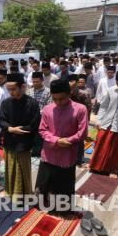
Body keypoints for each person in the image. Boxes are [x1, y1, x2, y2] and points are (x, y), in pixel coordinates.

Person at [35, 79, 88, 208]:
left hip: (67, 154)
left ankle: (62, 209)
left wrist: (68, 141)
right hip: (49, 153)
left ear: (69, 93)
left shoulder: (80, 109)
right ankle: (41, 204)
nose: (58, 102)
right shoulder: (48, 109)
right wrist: (57, 140)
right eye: (55, 99)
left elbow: (82, 133)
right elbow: (42, 129)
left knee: (63, 184)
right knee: (43, 183)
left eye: (62, 98)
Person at [0, 73, 40, 199]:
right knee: (10, 168)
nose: (10, 92)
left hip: (24, 142)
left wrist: (19, 130)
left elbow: (35, 124)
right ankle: (9, 192)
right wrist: (10, 129)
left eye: (13, 89)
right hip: (10, 141)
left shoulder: (32, 103)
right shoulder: (6, 103)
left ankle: (24, 195)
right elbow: (1, 120)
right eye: (8, 89)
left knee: (22, 170)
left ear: (22, 87)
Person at [26, 71, 52, 156]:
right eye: (33, 81)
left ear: (42, 80)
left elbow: (48, 106)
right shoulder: (29, 91)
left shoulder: (48, 92)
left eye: (37, 81)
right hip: (30, 118)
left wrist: (37, 113)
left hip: (42, 118)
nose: (35, 83)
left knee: (39, 135)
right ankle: (31, 150)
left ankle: (38, 151)